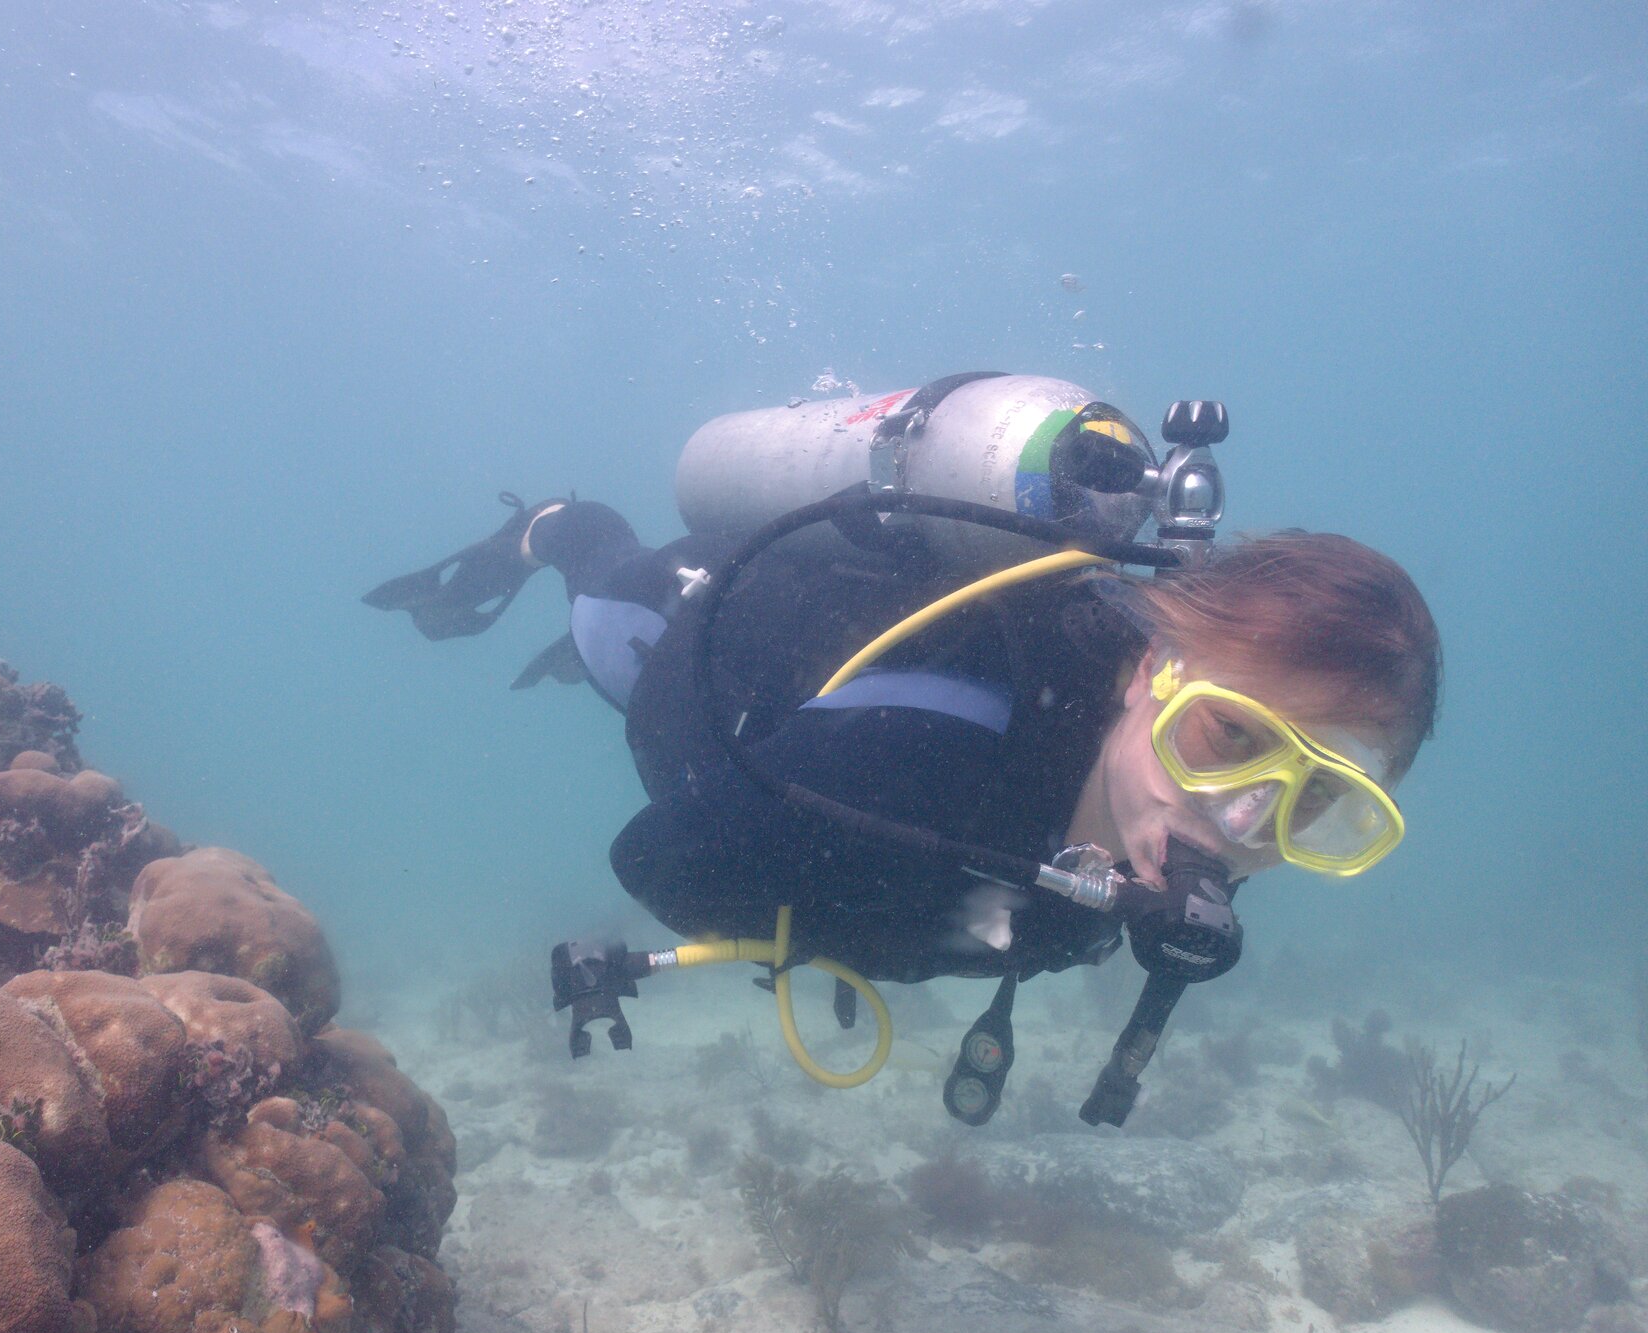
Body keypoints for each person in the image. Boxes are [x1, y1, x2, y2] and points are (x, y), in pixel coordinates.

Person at [365, 400, 1440, 1123]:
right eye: (1231, 737)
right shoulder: (916, 754)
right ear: (1148, 668)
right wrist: (865, 905)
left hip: (841, 743)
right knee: (605, 590)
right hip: (692, 655)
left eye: (1323, 805)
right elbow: (654, 857)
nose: (1244, 826)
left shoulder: (1147, 813)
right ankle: (552, 527)